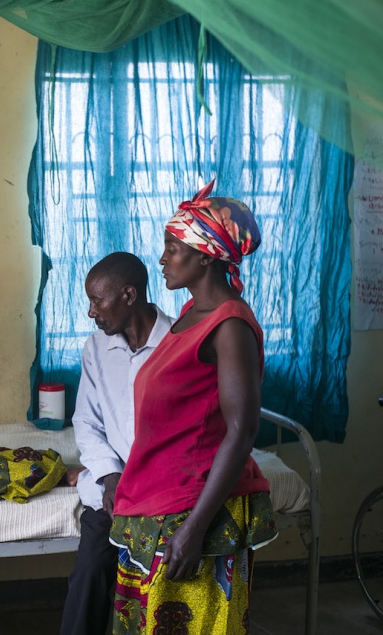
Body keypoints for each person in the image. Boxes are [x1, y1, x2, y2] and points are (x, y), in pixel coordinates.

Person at [109, 180, 278, 635]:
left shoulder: (229, 326)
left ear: (206, 255)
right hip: (161, 502)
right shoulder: (189, 316)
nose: (162, 258)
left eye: (172, 247)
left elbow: (242, 431)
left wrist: (196, 529)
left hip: (191, 511)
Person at [60, 252, 174, 635]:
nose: (91, 311)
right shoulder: (96, 347)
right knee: (90, 574)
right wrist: (110, 477)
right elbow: (86, 421)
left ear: (128, 295)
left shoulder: (175, 346)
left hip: (161, 491)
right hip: (113, 491)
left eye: (97, 300)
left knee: (158, 593)